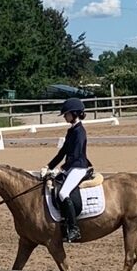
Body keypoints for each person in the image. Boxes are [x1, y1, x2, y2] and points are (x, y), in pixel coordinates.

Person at [45, 98, 92, 242]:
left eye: (66, 114)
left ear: (74, 113)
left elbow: (76, 154)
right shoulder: (71, 131)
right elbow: (63, 152)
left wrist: (62, 169)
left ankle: (74, 229)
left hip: (78, 167)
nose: (65, 116)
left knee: (63, 193)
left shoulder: (80, 132)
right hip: (71, 166)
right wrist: (49, 166)